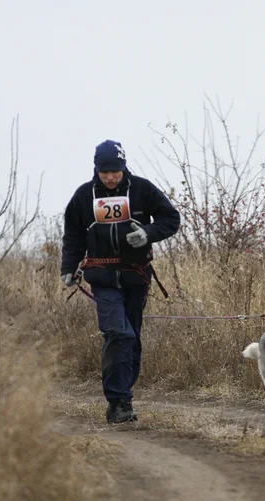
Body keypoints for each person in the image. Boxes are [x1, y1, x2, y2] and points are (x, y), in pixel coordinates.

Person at [60, 139, 180, 424]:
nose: (111, 177)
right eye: (105, 172)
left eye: (115, 171)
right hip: (101, 278)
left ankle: (124, 392)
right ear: (96, 170)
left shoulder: (143, 189)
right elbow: (73, 236)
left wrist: (148, 233)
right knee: (118, 334)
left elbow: (171, 219)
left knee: (132, 338)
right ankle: (119, 403)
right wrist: (68, 267)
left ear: (124, 168)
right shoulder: (82, 196)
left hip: (136, 276)